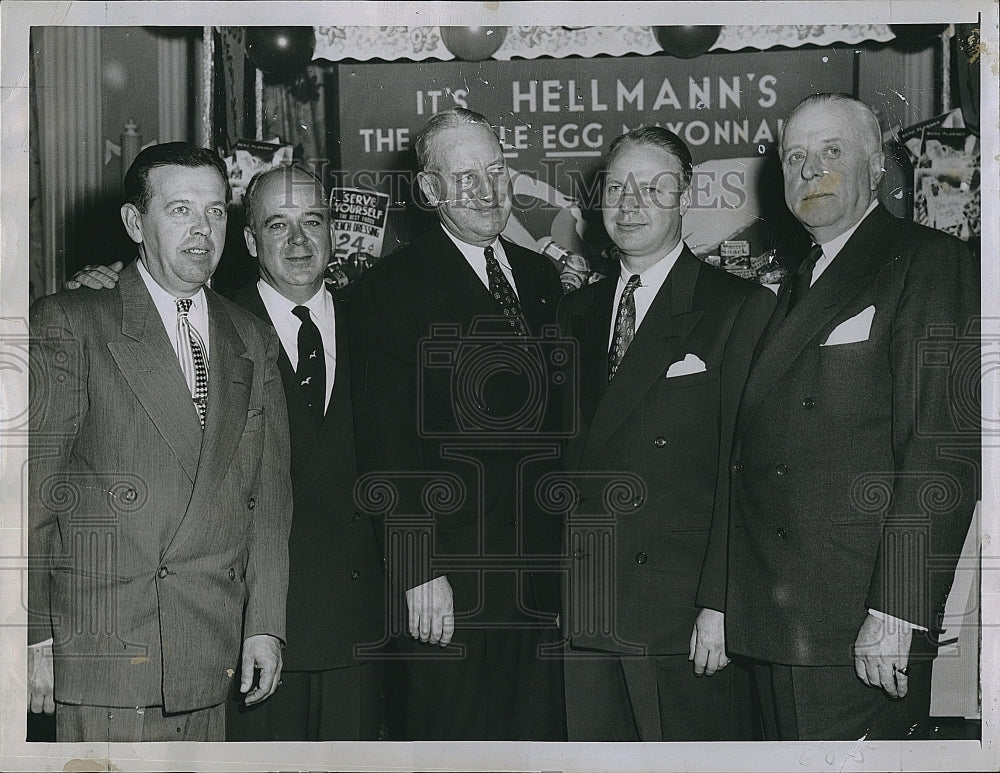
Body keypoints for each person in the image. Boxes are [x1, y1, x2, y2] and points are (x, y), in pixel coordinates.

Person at [61, 165, 387, 741]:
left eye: (313, 221)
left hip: (351, 625)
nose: (298, 240)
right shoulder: (217, 323)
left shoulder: (382, 318)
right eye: (277, 224)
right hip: (221, 632)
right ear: (250, 239)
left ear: (335, 232)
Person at [726, 93, 980, 740]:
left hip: (858, 623)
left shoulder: (926, 261)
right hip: (779, 621)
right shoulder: (798, 282)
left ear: (876, 165)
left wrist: (897, 608)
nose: (810, 170)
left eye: (831, 151)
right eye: (795, 156)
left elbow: (941, 446)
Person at [27, 142, 293, 742]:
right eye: (179, 210)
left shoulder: (252, 339)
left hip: (210, 649)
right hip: (102, 655)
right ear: (134, 223)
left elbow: (269, 503)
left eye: (217, 211)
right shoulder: (72, 322)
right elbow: (27, 496)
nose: (202, 230)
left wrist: (265, 625)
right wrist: (31, 634)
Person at [349, 107, 566, 740]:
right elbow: (385, 443)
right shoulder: (389, 289)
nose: (488, 189)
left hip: (538, 576)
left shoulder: (539, 276)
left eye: (496, 170)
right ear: (429, 190)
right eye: (464, 175)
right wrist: (419, 569)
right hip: (449, 582)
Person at [555, 127, 774, 741]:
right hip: (588, 600)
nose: (630, 204)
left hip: (683, 613)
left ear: (686, 195)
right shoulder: (577, 311)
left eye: (652, 188)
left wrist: (724, 601)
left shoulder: (736, 306)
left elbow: (746, 469)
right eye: (618, 187)